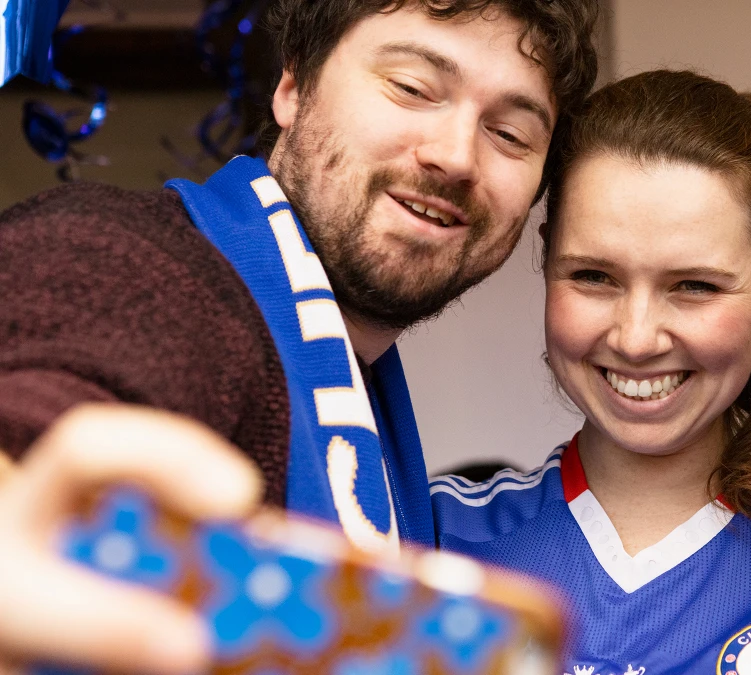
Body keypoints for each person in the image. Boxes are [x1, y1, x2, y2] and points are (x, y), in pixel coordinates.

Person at [0, 1, 599, 672]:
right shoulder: (134, 264)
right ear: (293, 87)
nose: (457, 156)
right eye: (412, 88)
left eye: (511, 134)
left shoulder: (368, 386)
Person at [430, 70, 751, 674]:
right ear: (546, 257)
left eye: (694, 286)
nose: (635, 337)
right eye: (593, 277)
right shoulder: (431, 542)